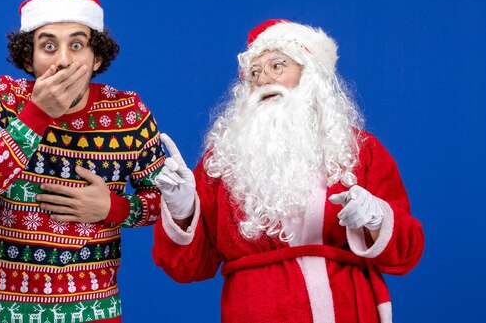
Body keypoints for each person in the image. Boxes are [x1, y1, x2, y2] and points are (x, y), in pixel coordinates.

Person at [152, 19, 424, 323]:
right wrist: (182, 210)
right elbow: (188, 268)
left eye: (277, 66)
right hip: (255, 311)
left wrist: (377, 219)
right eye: (254, 72)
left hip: (346, 309)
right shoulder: (223, 161)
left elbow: (408, 253)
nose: (262, 79)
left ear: (310, 76)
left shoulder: (360, 150)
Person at [0, 0, 165, 323]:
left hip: (96, 311)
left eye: (77, 45)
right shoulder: (2, 99)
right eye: (48, 46)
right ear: (29, 56)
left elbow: (167, 201)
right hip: (8, 313)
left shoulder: (130, 113)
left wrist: (115, 208)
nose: (63, 60)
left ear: (97, 56)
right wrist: (35, 116)